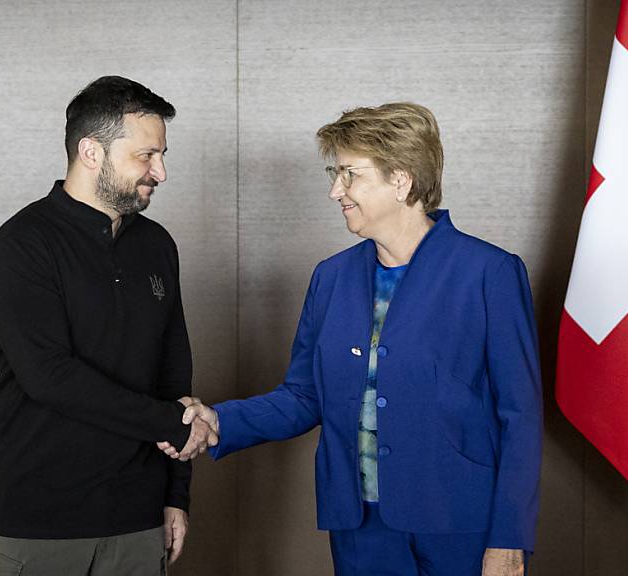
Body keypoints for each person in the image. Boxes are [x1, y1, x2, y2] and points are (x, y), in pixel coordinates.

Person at [163, 103, 542, 575]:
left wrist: (509, 539)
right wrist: (219, 420)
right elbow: (304, 396)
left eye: (349, 174)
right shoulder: (332, 278)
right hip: (359, 527)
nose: (334, 191)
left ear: (400, 180)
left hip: (460, 526)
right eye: (334, 173)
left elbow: (520, 417)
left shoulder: (490, 273)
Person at [0, 76, 216, 576]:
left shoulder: (156, 245)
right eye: (146, 156)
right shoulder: (22, 244)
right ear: (91, 152)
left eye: (162, 155)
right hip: (39, 522)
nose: (162, 172)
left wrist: (177, 494)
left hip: (137, 519)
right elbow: (50, 377)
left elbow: (174, 378)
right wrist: (173, 423)